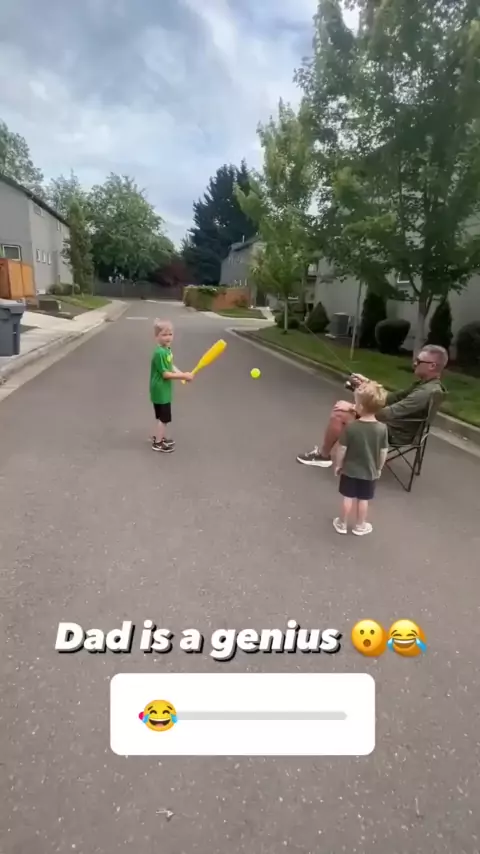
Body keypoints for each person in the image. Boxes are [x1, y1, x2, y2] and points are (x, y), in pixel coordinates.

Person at [296, 344, 448, 468]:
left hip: (395, 433)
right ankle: (342, 450)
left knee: (340, 413)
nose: (414, 363)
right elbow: (390, 398)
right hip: (396, 426)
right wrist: (367, 383)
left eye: (419, 361)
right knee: (345, 409)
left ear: (432, 366)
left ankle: (323, 456)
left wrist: (354, 408)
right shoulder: (426, 385)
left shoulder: (426, 392)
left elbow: (388, 413)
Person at [333, 382, 389, 536]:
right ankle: (360, 525)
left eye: (356, 403)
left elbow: (342, 448)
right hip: (369, 471)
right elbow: (383, 451)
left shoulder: (351, 427)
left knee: (348, 497)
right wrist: (379, 468)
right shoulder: (382, 429)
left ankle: (342, 523)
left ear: (361, 407)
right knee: (363, 499)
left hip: (350, 470)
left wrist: (338, 464)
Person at [150, 319, 193, 452]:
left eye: (170, 334)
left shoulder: (166, 350)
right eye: (164, 334)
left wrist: (181, 374)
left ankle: (160, 437)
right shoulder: (160, 353)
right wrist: (183, 376)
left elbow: (170, 366)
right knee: (164, 418)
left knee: (162, 417)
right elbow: (166, 374)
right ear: (156, 337)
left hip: (163, 389)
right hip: (160, 389)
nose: (168, 337)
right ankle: (158, 443)